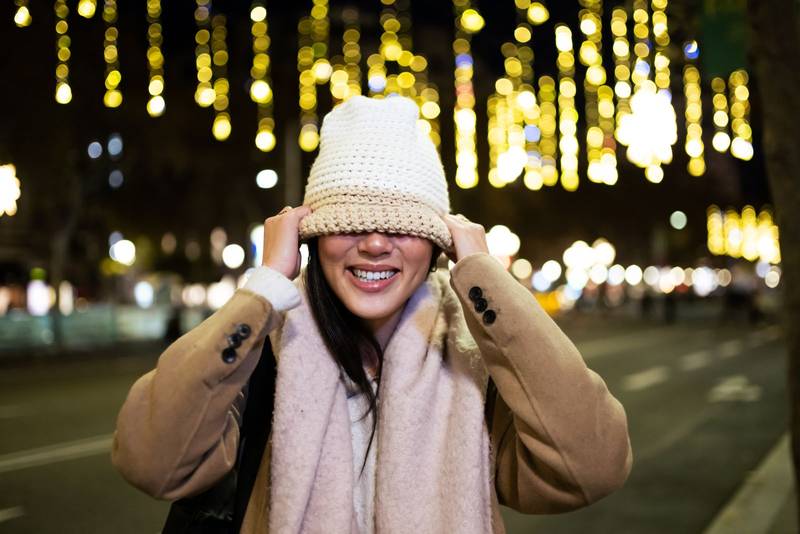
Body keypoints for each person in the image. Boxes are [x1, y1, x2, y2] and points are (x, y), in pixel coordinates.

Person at [111, 95, 632, 533]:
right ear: (310, 238)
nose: (376, 244)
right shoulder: (265, 358)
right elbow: (151, 460)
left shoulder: (476, 372)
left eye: (403, 227)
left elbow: (591, 467)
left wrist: (484, 277)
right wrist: (265, 289)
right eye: (349, 224)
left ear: (438, 244)